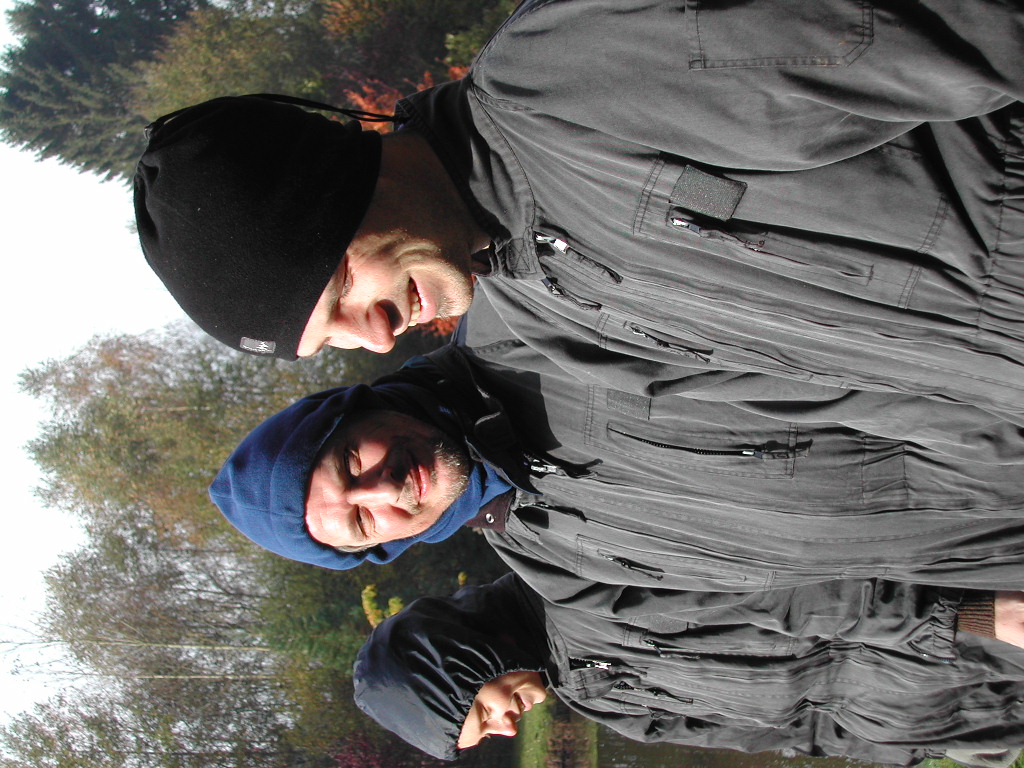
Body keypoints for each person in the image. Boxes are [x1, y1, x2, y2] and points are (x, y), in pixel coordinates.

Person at [135, 1, 1024, 418]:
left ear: (333, 193)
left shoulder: (567, 70)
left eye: (336, 299)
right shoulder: (545, 315)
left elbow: (967, 30)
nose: (374, 340)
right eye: (332, 343)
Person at [211, 340, 1024, 596]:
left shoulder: (529, 330)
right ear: (382, 551)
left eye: (353, 459)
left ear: (354, 408)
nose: (385, 488)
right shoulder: (551, 557)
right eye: (360, 519)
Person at [353, 572, 1024, 764]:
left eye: (478, 713)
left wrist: (974, 616)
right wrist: (924, 743)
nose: (504, 728)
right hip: (969, 703)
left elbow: (784, 590)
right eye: (484, 737)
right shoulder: (594, 701)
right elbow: (785, 730)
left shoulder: (579, 579)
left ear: (461, 662)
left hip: (976, 625)